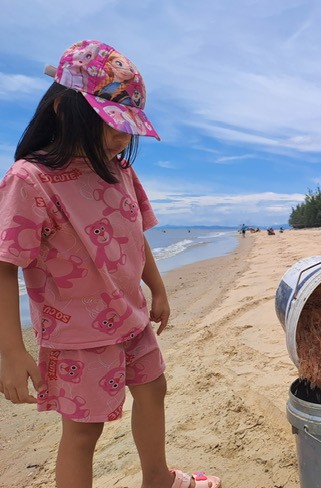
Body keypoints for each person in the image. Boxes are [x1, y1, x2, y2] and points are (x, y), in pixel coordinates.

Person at [0, 40, 221, 488]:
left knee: (154, 388)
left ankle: (157, 478)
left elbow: (134, 235)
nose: (123, 137)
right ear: (64, 110)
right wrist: (11, 351)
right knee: (84, 431)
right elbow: (5, 264)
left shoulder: (118, 169)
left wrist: (157, 289)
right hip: (76, 333)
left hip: (132, 316)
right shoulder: (31, 180)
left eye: (128, 128)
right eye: (110, 124)